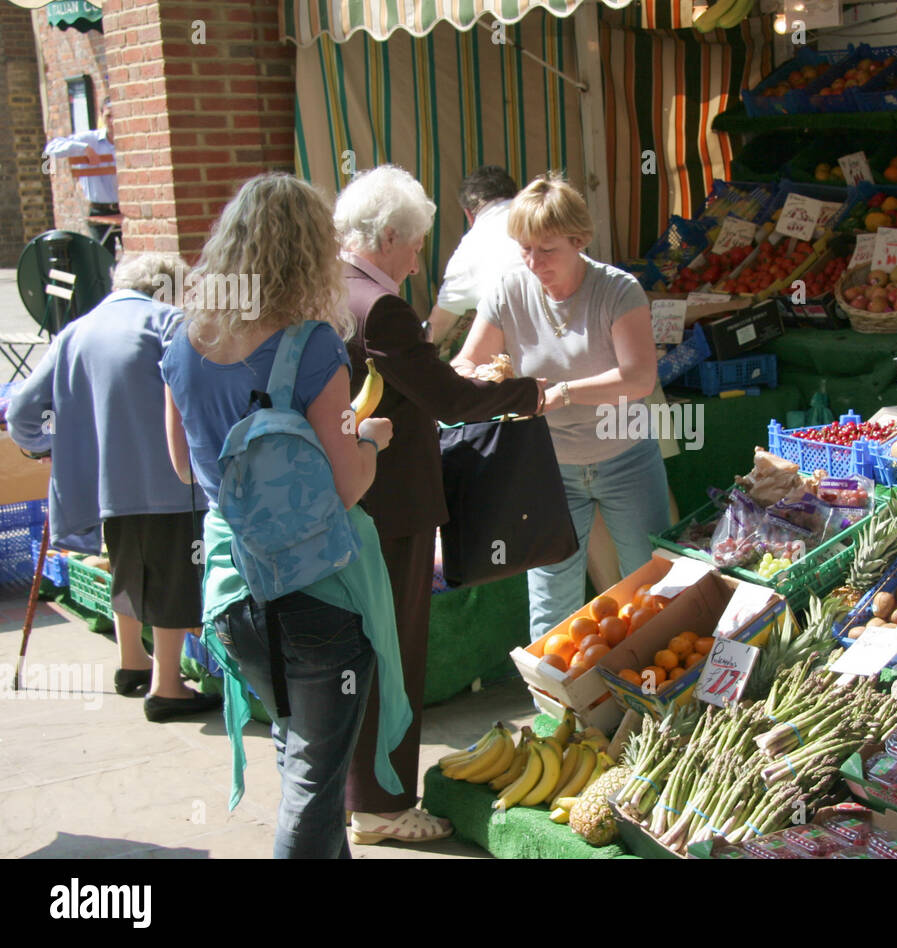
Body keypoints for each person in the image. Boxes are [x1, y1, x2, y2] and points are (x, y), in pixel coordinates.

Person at [160, 173, 406, 859]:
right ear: (309, 252)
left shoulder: (184, 340)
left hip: (233, 592)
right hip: (317, 592)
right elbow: (345, 487)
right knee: (313, 780)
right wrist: (371, 439)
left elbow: (182, 467)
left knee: (298, 754)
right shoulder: (311, 346)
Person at [334, 164, 545, 845]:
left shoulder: (330, 287)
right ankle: (383, 804)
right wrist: (528, 394)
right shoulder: (381, 304)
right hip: (388, 504)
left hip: (345, 498)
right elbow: (448, 402)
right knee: (394, 653)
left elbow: (414, 382)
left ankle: (356, 791)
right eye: (417, 243)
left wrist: (452, 376)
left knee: (361, 652)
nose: (420, 258)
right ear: (390, 236)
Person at [453, 172, 672, 641]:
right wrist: (473, 378)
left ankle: (655, 693)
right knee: (551, 590)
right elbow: (467, 361)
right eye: (525, 249)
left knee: (647, 582)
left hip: (626, 455)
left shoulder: (618, 290)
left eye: (547, 249)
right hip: (548, 466)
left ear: (580, 240)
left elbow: (639, 377)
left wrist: (564, 393)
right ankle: (552, 704)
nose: (534, 262)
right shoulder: (508, 290)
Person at [8, 252, 220, 723]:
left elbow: (22, 410)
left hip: (105, 483)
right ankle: (167, 688)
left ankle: (133, 664)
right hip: (167, 479)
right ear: (167, 288)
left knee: (129, 567)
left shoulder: (76, 332)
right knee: (172, 577)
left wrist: (51, 444)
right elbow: (199, 395)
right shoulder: (168, 323)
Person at [425, 165, 525, 350]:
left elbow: (438, 327)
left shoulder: (470, 248)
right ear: (516, 195)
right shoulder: (539, 219)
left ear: (468, 214)